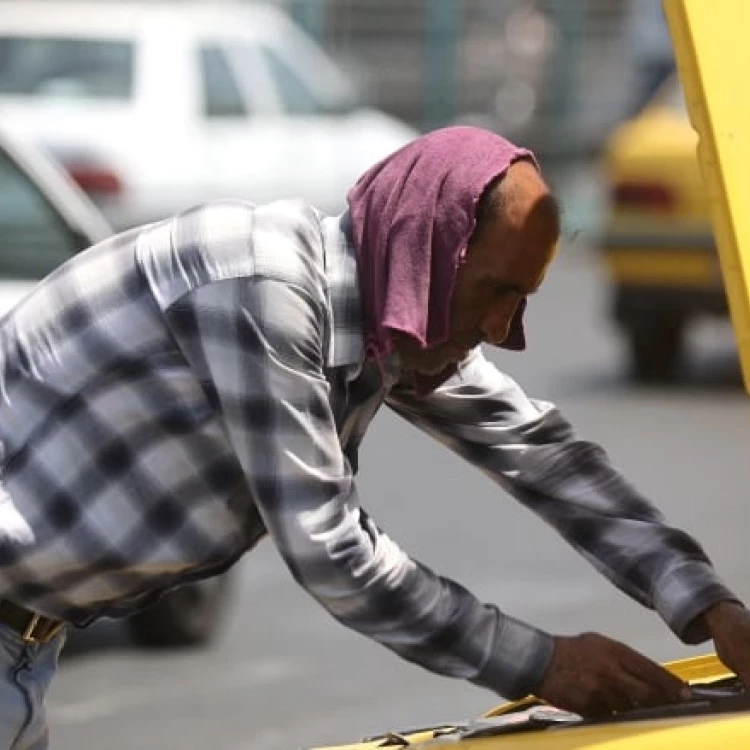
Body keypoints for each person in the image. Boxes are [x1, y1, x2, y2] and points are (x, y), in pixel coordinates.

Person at [0, 125, 747, 747]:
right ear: (425, 251)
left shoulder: (401, 322)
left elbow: (543, 454)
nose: (502, 330)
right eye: (494, 292)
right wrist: (541, 664)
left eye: (523, 300)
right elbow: (330, 550)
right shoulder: (259, 286)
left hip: (28, 646)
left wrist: (713, 607)